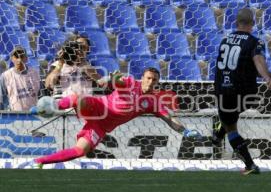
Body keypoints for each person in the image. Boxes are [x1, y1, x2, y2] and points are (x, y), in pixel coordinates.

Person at [31, 67, 201, 168]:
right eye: (148, 78)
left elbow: (169, 119)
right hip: (99, 107)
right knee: (76, 98)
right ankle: (50, 107)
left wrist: (185, 131)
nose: (150, 82)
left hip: (101, 126)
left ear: (157, 82)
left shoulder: (152, 102)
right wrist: (113, 78)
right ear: (142, 77)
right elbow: (119, 81)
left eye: (154, 80)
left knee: (80, 151)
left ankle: (39, 161)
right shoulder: (130, 83)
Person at [212, 8, 271, 175]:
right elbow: (257, 60)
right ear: (253, 24)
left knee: (230, 124)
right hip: (245, 92)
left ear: (236, 23)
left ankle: (224, 132)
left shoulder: (225, 40)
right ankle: (224, 134)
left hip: (222, 89)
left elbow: (245, 63)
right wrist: (267, 77)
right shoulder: (255, 41)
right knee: (232, 121)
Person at [0, 46, 41, 111]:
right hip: (15, 116)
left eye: (21, 56)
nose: (19, 59)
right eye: (16, 57)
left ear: (26, 58)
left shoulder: (34, 73)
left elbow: (42, 95)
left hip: (34, 115)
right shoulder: (5, 76)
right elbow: (2, 100)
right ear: (12, 59)